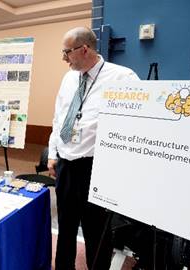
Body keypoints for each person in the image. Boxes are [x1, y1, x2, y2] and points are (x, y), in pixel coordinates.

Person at [48, 27, 140, 269]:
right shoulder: (68, 78)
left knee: (96, 230)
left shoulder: (123, 78)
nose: (64, 58)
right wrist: (52, 152)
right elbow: (58, 117)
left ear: (84, 49)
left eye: (66, 52)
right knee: (66, 226)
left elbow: (135, 125)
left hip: (96, 167)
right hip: (66, 164)